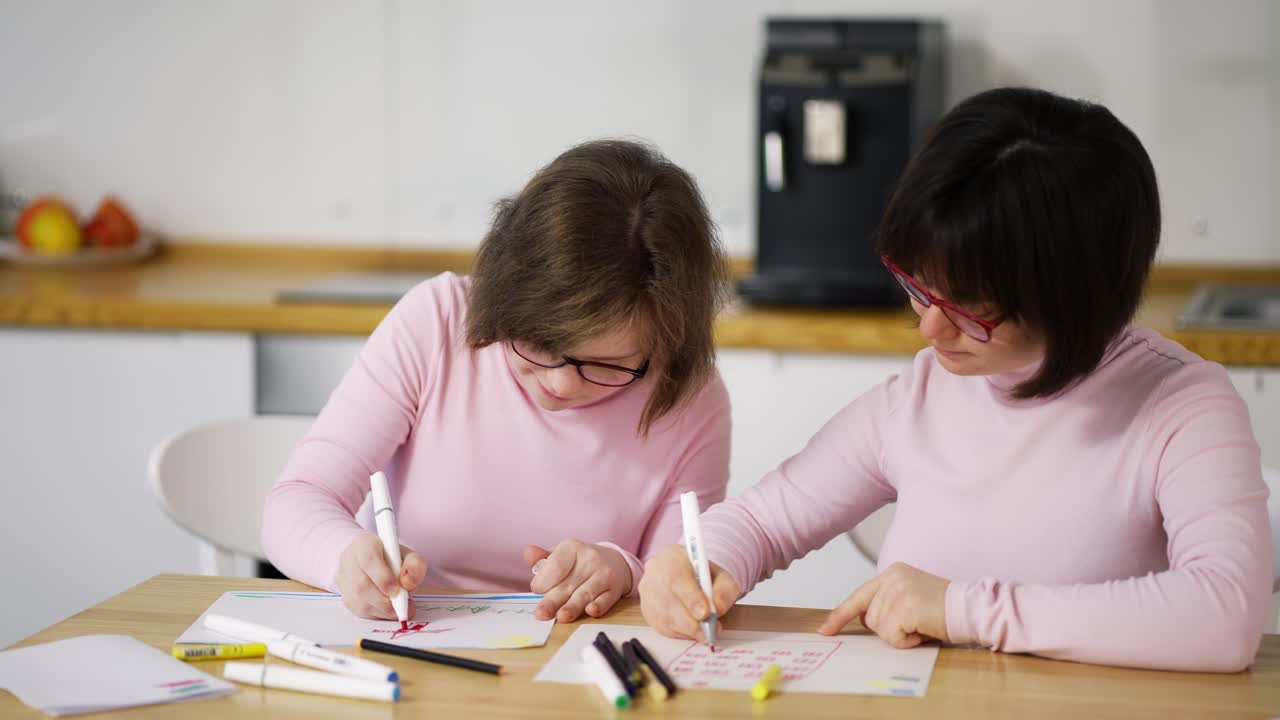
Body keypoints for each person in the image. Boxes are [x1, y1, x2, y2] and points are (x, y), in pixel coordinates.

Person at [639, 87, 1273, 673]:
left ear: (1076, 298)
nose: (930, 332)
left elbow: (1224, 616)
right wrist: (697, 564)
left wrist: (960, 609)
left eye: (971, 309)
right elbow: (764, 521)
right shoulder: (918, 399)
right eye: (918, 288)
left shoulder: (1182, 407)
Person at [263, 139, 732, 625]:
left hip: (580, 668)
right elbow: (295, 501)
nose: (561, 383)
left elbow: (681, 585)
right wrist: (346, 561)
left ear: (667, 338)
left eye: (608, 364)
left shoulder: (691, 397)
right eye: (540, 342)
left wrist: (624, 570)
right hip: (414, 648)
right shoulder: (438, 322)